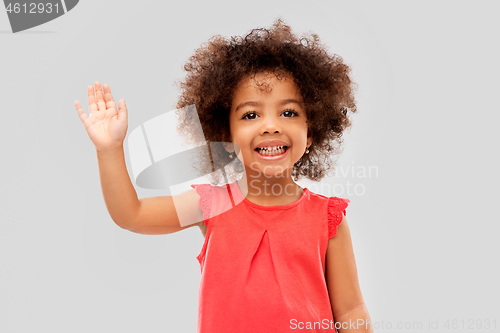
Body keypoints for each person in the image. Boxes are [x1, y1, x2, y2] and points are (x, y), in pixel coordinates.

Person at [74, 19, 374, 333]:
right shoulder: (213, 203)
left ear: (310, 132)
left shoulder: (327, 217)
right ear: (224, 133)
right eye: (250, 114)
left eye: (288, 112)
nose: (270, 126)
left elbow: (351, 308)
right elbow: (131, 215)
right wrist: (109, 149)